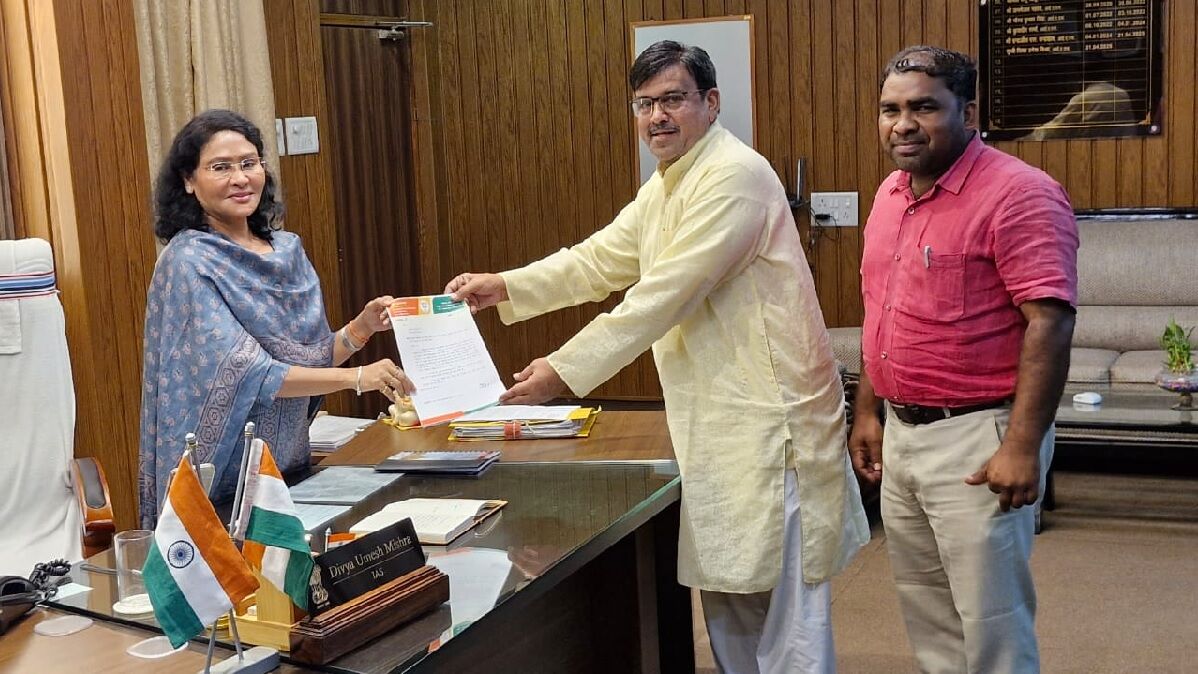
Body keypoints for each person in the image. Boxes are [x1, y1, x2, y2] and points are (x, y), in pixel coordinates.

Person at [446, 41, 868, 673]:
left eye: (673, 99)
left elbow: (663, 296)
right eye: (644, 104)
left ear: (711, 102)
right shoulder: (669, 181)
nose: (657, 117)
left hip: (774, 419)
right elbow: (599, 259)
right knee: (729, 591)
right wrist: (506, 285)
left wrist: (563, 370)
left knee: (788, 613)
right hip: (718, 418)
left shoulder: (735, 175)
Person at [850, 46, 1078, 674]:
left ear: (968, 112)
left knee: (991, 620)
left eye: (924, 107)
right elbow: (882, 311)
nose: (903, 124)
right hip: (903, 433)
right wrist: (868, 410)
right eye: (890, 109)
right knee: (928, 610)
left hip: (980, 437)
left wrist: (1022, 446)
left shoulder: (1020, 193)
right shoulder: (891, 194)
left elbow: (1051, 324)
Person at [139, 109, 414, 527]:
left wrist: (360, 328)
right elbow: (252, 373)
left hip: (288, 470)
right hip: (222, 481)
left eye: (249, 163)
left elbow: (311, 360)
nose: (240, 178)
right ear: (189, 181)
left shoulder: (287, 250)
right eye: (221, 167)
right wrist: (357, 378)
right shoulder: (188, 261)